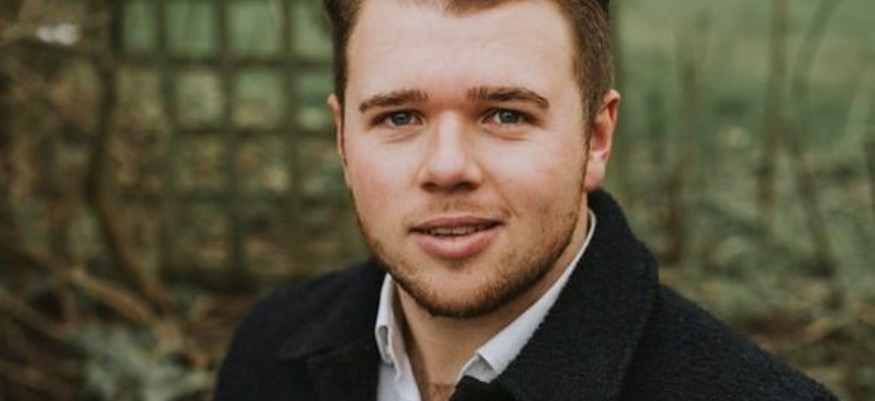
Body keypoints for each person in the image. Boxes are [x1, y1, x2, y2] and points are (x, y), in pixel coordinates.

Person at [214, 0, 838, 400]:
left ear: (596, 138)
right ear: (343, 139)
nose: (448, 167)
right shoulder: (268, 349)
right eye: (399, 116)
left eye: (506, 114)